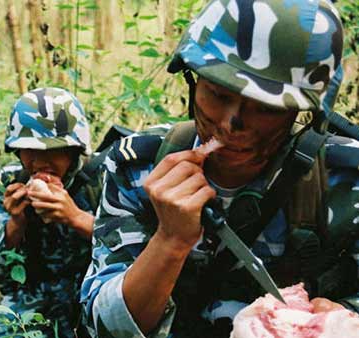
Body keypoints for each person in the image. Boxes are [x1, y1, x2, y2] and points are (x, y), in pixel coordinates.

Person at [80, 1, 359, 337]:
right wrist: (169, 240)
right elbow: (103, 327)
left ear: (301, 111)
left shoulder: (347, 176)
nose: (231, 124)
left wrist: (341, 318)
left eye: (265, 107)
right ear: (192, 81)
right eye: (217, 93)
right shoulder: (135, 165)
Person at [0, 87, 99, 338]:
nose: (40, 162)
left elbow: (135, 252)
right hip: (34, 302)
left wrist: (76, 218)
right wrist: (15, 224)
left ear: (75, 150)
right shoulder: (8, 182)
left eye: (53, 150)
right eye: (29, 150)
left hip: (94, 297)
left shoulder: (102, 179)